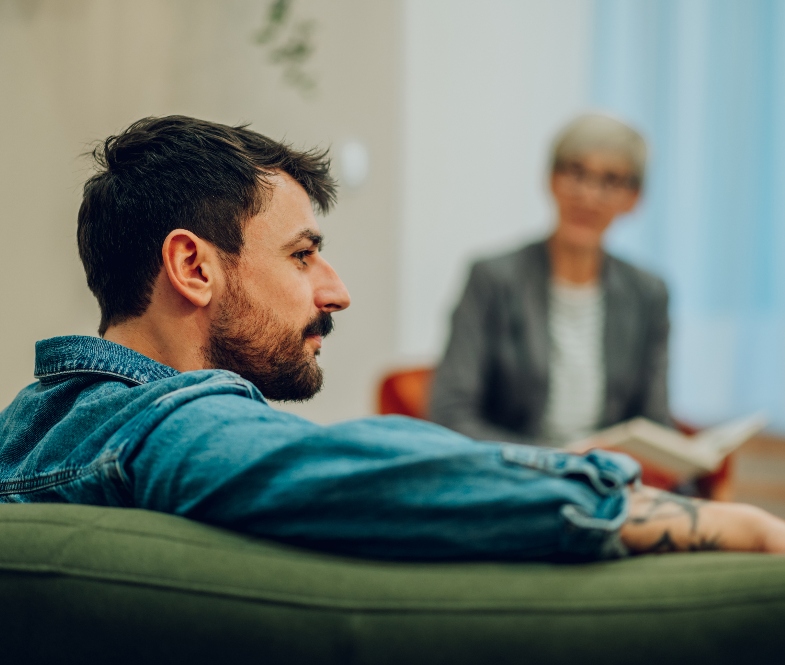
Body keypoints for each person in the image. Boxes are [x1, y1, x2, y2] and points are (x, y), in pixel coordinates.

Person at [1, 115, 784, 560]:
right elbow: (367, 469)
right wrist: (722, 521)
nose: (336, 289)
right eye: (304, 253)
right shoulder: (166, 428)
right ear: (192, 267)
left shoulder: (33, 421)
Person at [430, 113, 668, 447]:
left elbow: (655, 421)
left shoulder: (648, 294)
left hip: (606, 480)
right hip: (516, 474)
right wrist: (556, 465)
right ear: (551, 179)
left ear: (633, 199)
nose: (588, 194)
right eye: (576, 173)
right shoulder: (492, 279)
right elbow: (451, 413)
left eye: (610, 180)